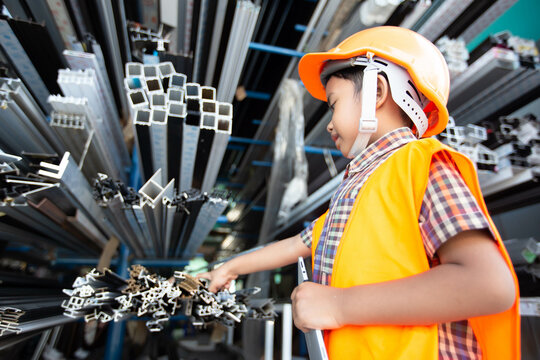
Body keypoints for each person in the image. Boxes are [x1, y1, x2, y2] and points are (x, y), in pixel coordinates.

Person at [197, 26, 520, 359]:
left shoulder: (420, 164)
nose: (328, 124)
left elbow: (488, 285)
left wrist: (339, 305)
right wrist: (230, 268)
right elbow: (297, 244)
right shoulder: (356, 191)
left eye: (333, 103)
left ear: (376, 92)